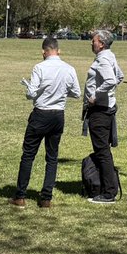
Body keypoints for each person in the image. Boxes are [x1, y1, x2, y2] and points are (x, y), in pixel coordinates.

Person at [11, 36, 81, 207]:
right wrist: (63, 92)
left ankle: (20, 196)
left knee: (28, 155)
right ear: (58, 51)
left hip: (41, 114)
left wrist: (32, 90)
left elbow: (31, 94)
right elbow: (77, 93)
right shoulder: (69, 68)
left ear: (44, 52)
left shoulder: (39, 68)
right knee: (52, 157)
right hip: (58, 115)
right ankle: (46, 197)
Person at [84, 29, 122, 204]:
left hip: (100, 110)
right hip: (106, 107)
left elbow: (111, 80)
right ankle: (106, 187)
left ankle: (108, 192)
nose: (91, 43)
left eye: (94, 40)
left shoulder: (104, 58)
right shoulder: (109, 56)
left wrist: (95, 95)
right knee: (103, 150)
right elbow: (119, 76)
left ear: (102, 43)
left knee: (102, 151)